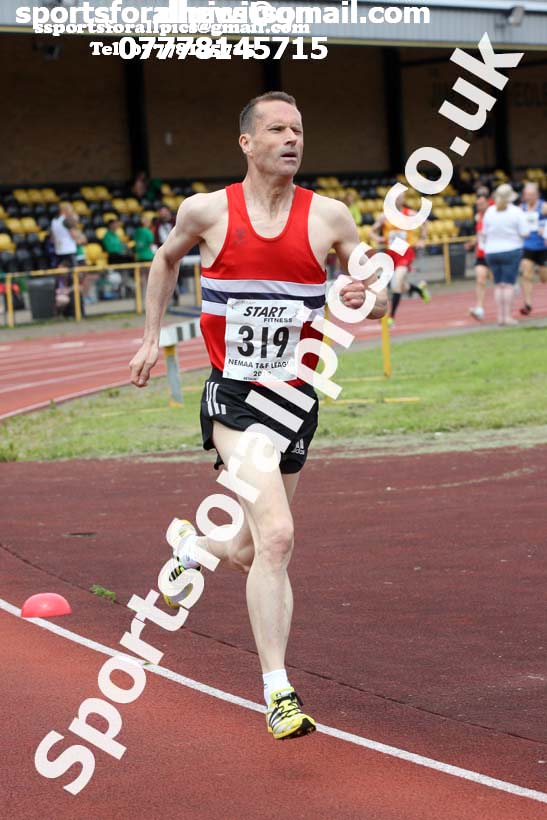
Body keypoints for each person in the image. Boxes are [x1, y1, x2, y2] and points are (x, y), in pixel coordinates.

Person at [129, 91, 387, 741]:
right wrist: (149, 336)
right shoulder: (206, 211)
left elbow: (380, 300)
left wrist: (368, 296)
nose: (291, 139)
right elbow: (163, 261)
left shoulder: (330, 218)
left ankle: (194, 546)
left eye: (298, 129)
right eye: (276, 129)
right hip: (235, 398)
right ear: (246, 142)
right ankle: (277, 692)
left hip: (295, 400)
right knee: (276, 535)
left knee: (248, 549)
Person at [370, 191, 429, 326]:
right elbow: (371, 231)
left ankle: (391, 317)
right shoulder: (384, 217)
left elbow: (425, 223)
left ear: (403, 200)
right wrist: (377, 238)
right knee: (401, 285)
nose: (397, 200)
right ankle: (419, 290)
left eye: (400, 198)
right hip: (391, 254)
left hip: (405, 252)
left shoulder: (409, 214)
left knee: (396, 282)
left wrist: (422, 239)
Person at [482, 183, 530, 326]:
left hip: (492, 251)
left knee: (499, 285)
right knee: (508, 285)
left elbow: (484, 232)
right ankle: (507, 316)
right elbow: (525, 232)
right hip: (511, 250)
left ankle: (500, 316)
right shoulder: (516, 212)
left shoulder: (490, 211)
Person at [518, 182, 547, 316]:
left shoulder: (544, 207)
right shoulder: (521, 208)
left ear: (537, 195)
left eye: (531, 195)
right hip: (527, 246)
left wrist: (545, 230)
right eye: (526, 195)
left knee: (543, 278)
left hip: (543, 247)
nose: (528, 197)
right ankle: (528, 304)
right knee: (526, 274)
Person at [467, 188, 491, 321]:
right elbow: (480, 235)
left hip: (494, 253)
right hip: (481, 254)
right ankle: (480, 308)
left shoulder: (493, 215)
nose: (479, 207)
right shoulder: (478, 217)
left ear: (488, 203)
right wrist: (473, 243)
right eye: (478, 205)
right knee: (480, 279)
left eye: (481, 204)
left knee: (500, 281)